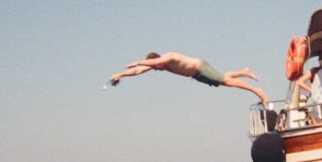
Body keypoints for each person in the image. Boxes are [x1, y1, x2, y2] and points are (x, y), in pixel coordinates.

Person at [109, 52, 268, 104]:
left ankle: (257, 91)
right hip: (196, 75)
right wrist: (120, 74)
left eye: (155, 67)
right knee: (221, 80)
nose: (156, 70)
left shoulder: (168, 58)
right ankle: (244, 71)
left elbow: (155, 62)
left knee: (226, 82)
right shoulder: (158, 65)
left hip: (200, 67)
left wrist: (137, 61)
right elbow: (138, 72)